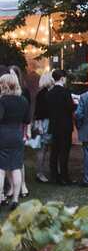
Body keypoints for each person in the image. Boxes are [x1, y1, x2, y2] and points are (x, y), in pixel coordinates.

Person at [0, 73, 31, 210]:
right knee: (16, 167)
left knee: (1, 169)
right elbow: (27, 120)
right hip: (17, 134)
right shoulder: (23, 100)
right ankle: (15, 200)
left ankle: (1, 197)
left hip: (3, 135)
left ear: (4, 84)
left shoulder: (2, 101)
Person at [46, 69, 78, 186]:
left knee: (54, 152)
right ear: (63, 78)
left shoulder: (49, 93)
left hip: (54, 124)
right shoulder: (65, 91)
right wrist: (77, 104)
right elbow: (70, 107)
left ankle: (54, 176)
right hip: (65, 125)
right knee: (64, 152)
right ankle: (64, 176)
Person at [33, 71, 54, 183]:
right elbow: (39, 111)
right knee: (43, 148)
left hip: (48, 121)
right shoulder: (42, 94)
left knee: (46, 148)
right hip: (44, 122)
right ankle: (39, 173)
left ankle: (43, 172)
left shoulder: (50, 92)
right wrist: (40, 125)